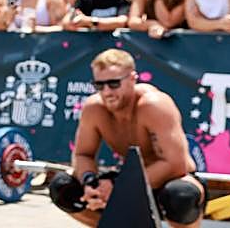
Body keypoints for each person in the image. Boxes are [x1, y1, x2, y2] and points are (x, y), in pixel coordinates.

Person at [48, 49, 203, 228]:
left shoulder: (153, 105)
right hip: (128, 178)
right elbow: (83, 154)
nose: (106, 92)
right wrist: (90, 183)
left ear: (132, 79)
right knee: (63, 188)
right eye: (99, 85)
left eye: (113, 84)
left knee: (180, 196)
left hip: (169, 178)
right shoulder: (94, 108)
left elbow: (176, 164)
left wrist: (117, 186)